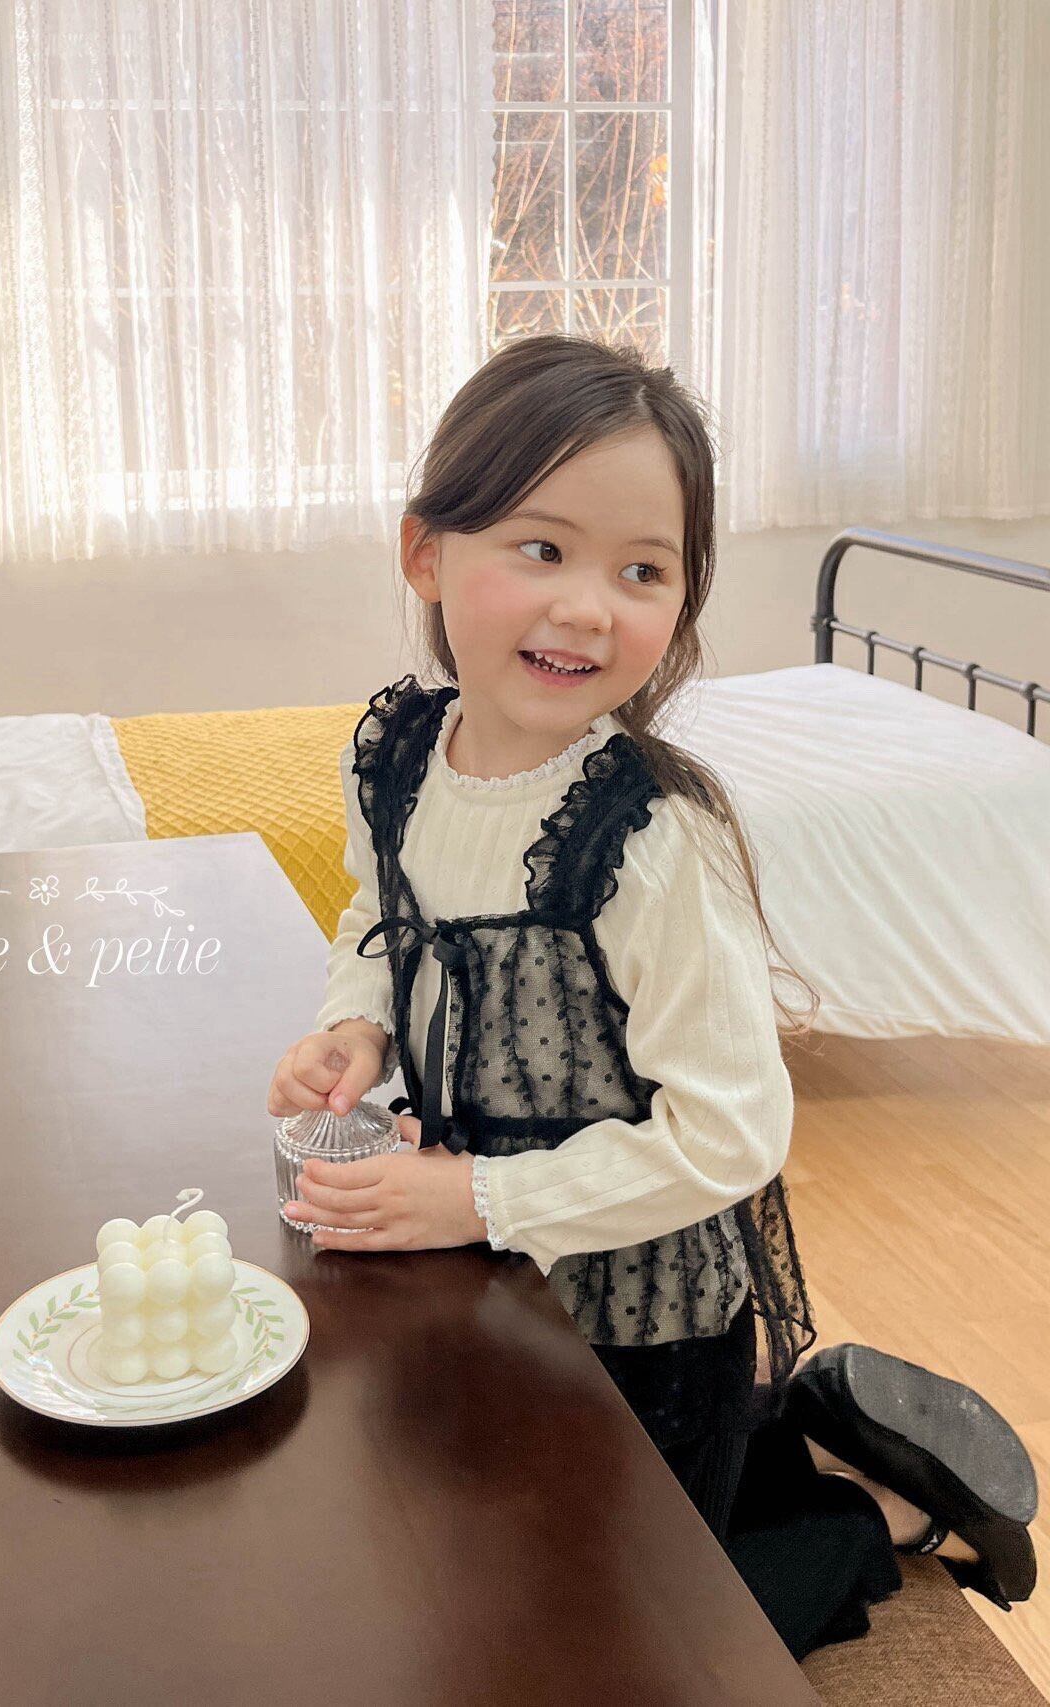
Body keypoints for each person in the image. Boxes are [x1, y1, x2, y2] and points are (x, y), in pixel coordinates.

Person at [265, 334, 1037, 1658]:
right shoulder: (396, 754)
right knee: (452, 1546)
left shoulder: (647, 843)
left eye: (642, 571)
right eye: (542, 548)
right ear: (426, 554)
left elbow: (733, 1132)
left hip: (635, 1309)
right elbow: (379, 913)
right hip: (485, 1264)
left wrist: (473, 1198)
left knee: (615, 1642)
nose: (587, 608)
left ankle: (883, 1509)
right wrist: (358, 1021)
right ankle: (788, 1441)